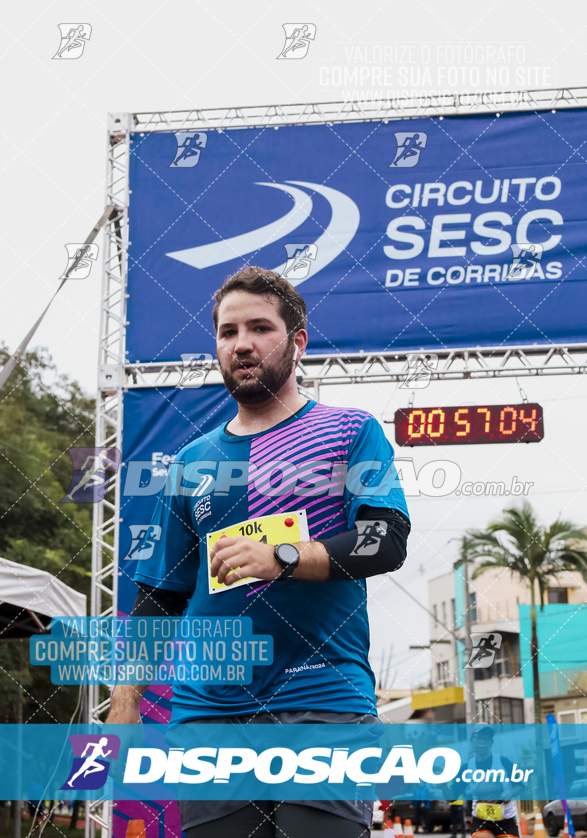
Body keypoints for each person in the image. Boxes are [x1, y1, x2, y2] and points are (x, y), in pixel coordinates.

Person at [107, 266, 411, 837]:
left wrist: (285, 558)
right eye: (227, 332)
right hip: (211, 710)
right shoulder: (190, 463)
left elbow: (384, 540)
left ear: (297, 341)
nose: (241, 343)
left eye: (259, 328)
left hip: (323, 696)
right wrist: (126, 700)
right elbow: (160, 597)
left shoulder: (350, 432)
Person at [462, 724, 518, 838]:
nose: (482, 742)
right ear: (472, 741)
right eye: (478, 738)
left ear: (491, 742)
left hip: (506, 820)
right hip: (481, 821)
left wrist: (510, 793)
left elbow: (520, 785)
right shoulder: (466, 767)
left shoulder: (504, 762)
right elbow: (452, 793)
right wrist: (443, 788)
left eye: (486, 738)